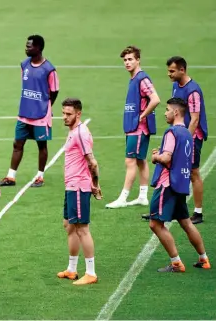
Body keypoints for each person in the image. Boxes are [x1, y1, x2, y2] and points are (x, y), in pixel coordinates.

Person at [147, 98, 210, 272]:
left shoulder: (171, 132)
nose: (165, 113)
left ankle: (176, 263)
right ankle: (204, 259)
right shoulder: (188, 135)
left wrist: (156, 157)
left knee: (155, 224)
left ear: (176, 112)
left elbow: (167, 158)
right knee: (186, 222)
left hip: (167, 184)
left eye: (167, 109)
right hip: (181, 184)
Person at [0, 34, 59, 188]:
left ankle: (40, 176)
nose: (26, 48)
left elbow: (54, 90)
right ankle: (10, 177)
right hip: (24, 114)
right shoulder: (24, 65)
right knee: (17, 144)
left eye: (29, 46)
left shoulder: (49, 69)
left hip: (41, 115)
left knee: (41, 146)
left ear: (38, 48)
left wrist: (46, 105)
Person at [106, 46, 160, 209]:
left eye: (130, 59)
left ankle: (123, 198)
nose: (127, 63)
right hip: (134, 127)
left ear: (138, 60)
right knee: (140, 161)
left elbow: (155, 99)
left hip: (138, 129)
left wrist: (142, 116)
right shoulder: (134, 78)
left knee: (130, 161)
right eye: (125, 60)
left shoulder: (142, 79)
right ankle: (142, 196)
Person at [57, 98, 101, 285]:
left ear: (78, 114)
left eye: (69, 114)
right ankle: (72, 269)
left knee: (82, 228)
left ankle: (91, 273)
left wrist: (95, 184)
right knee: (69, 225)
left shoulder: (81, 133)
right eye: (63, 113)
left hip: (78, 186)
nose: (65, 117)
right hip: (71, 186)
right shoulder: (73, 131)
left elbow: (92, 162)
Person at [165, 56, 208, 224]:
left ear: (182, 70)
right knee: (175, 170)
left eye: (172, 71)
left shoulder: (193, 91)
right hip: (180, 135)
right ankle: (170, 208)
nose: (169, 74)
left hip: (192, 137)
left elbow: (195, 119)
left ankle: (198, 212)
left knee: (193, 172)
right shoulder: (176, 86)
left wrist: (186, 140)